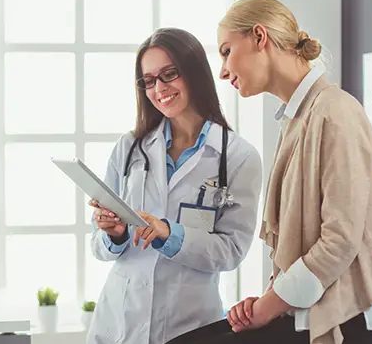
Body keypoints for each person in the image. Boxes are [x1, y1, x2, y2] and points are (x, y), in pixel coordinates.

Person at [166, 0, 372, 344]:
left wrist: (267, 307)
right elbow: (298, 242)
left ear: (260, 37)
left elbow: (339, 242)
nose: (222, 70)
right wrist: (270, 300)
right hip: (307, 309)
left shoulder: (335, 112)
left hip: (353, 318)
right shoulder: (297, 118)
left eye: (226, 51)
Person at [85, 27, 263, 344]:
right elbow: (98, 247)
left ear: (194, 73)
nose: (160, 88)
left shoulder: (237, 157)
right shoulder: (129, 148)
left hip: (191, 325)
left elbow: (231, 252)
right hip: (120, 322)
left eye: (169, 74)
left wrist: (170, 233)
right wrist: (114, 234)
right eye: (149, 80)